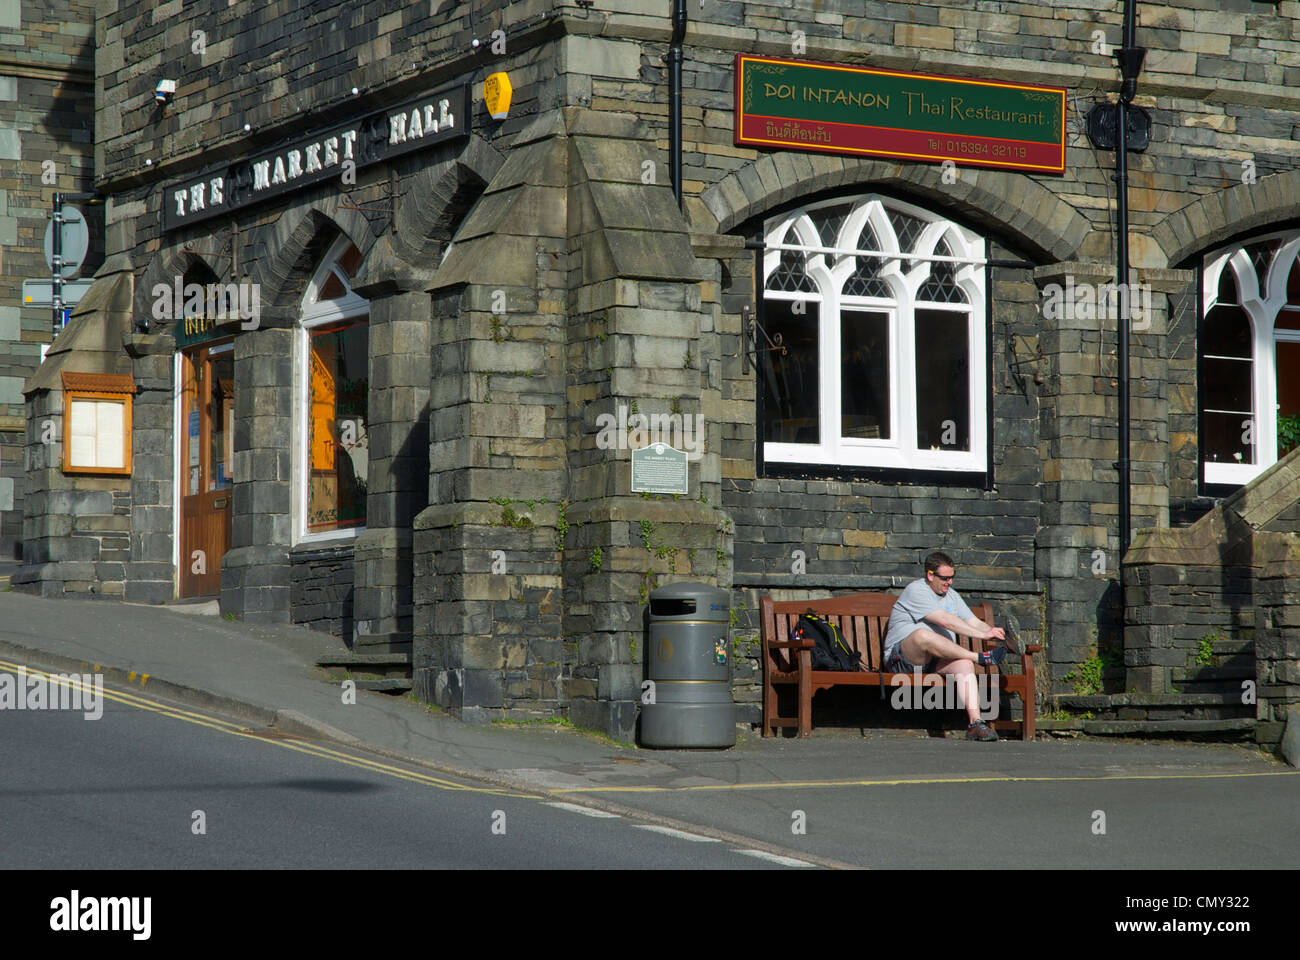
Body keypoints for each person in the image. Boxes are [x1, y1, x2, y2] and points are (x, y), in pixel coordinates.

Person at [883, 551, 1021, 741]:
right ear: (930, 575)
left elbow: (972, 621)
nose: (950, 582)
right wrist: (981, 637)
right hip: (904, 660)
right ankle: (978, 657)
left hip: (934, 661)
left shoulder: (952, 596)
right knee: (923, 635)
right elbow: (945, 621)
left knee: (964, 664)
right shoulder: (916, 590)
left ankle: (976, 724)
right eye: (945, 578)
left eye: (952, 577)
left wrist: (993, 632)